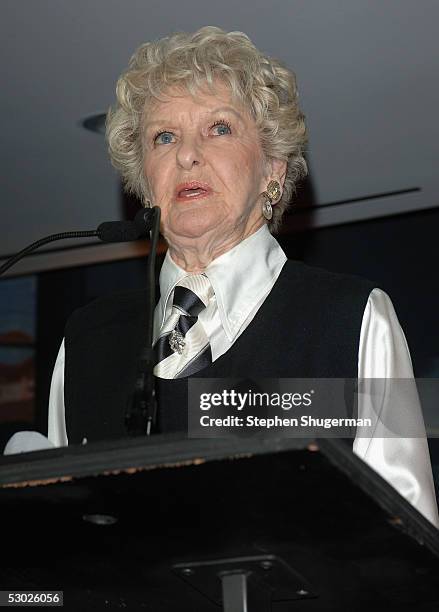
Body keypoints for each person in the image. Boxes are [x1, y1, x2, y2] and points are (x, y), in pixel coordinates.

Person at [40, 27, 438, 526]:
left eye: (219, 128)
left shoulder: (352, 319)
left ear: (272, 168)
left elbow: (406, 539)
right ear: (144, 182)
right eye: (164, 137)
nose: (186, 154)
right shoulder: (87, 340)